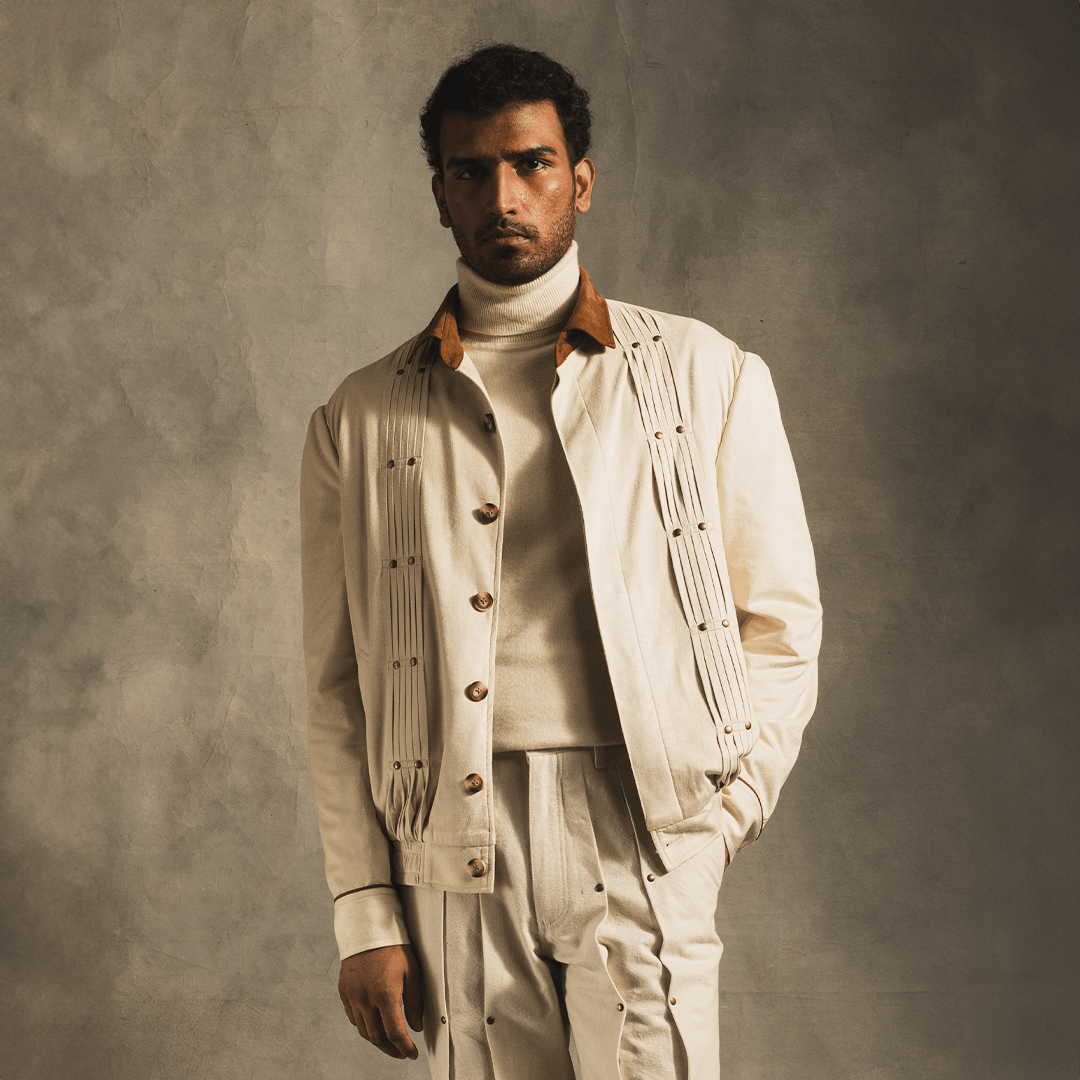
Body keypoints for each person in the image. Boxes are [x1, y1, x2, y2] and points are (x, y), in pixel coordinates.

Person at [301, 43, 821, 1080]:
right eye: (472, 171)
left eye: (531, 163)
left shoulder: (707, 374)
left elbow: (780, 622)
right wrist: (363, 909)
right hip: (451, 836)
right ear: (440, 195)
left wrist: (722, 819)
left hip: (642, 820)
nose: (504, 196)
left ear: (579, 180)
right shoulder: (359, 418)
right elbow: (337, 684)